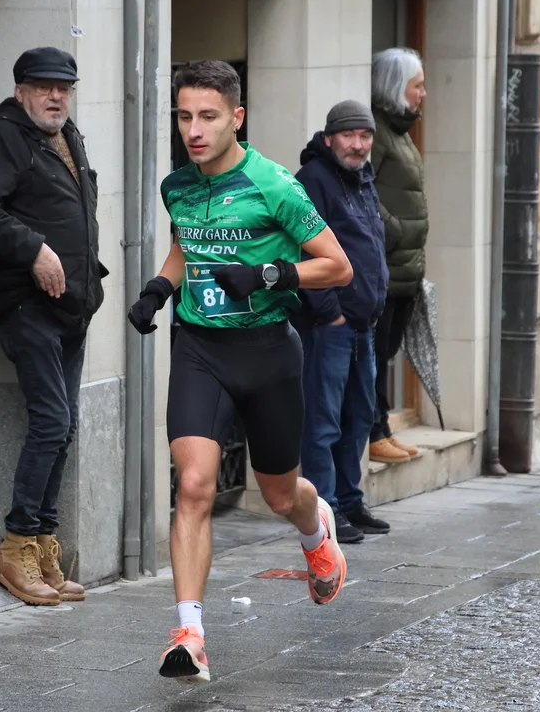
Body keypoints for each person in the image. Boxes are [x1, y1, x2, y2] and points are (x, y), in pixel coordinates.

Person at [127, 60, 354, 683]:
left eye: (207, 117)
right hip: (200, 349)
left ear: (237, 117)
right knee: (194, 486)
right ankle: (190, 635)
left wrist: (268, 274)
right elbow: (186, 244)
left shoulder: (274, 185)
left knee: (280, 495)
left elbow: (337, 266)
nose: (193, 131)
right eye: (184, 117)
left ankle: (316, 528)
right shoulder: (177, 185)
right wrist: (159, 287)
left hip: (268, 352)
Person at [0, 47, 105, 606]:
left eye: (64, 88)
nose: (55, 97)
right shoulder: (2, 135)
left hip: (71, 305)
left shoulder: (67, 136)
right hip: (28, 304)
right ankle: (15, 545)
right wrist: (34, 250)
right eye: (44, 87)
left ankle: (43, 542)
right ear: (20, 92)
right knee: (51, 420)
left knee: (63, 425)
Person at [292, 100, 390, 544]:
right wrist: (329, 312)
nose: (357, 144)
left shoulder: (363, 178)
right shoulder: (313, 180)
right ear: (330, 138)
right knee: (323, 421)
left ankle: (350, 500)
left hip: (362, 325)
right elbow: (303, 248)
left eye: (365, 136)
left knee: (359, 416)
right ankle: (324, 511)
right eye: (349, 135)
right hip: (328, 325)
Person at [366, 48, 428, 464]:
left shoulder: (400, 132)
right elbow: (363, 190)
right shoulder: (378, 132)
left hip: (404, 269)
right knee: (374, 354)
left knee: (384, 354)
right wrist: (395, 231)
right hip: (387, 267)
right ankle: (374, 431)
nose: (423, 93)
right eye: (417, 85)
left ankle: (383, 426)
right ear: (394, 86)